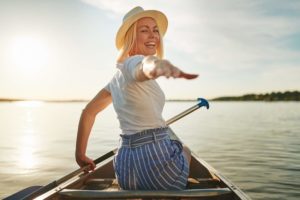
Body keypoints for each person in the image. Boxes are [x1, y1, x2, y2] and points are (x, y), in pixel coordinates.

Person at [75, 6, 198, 190]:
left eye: (155, 30)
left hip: (125, 170)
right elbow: (142, 68)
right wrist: (156, 66)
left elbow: (88, 113)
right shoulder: (135, 62)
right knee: (185, 150)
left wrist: (80, 154)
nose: (153, 35)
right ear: (131, 37)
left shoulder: (116, 79)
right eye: (144, 30)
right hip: (155, 164)